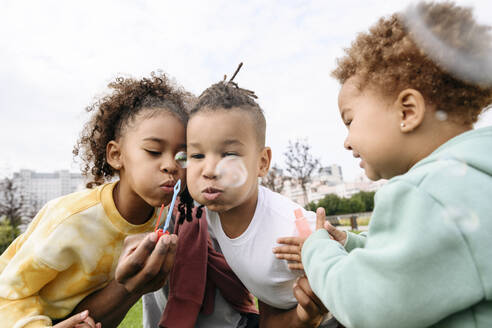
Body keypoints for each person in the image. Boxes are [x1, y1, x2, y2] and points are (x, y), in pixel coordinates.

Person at [299, 2, 492, 327]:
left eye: (350, 121)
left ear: (406, 112)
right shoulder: (472, 177)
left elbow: (366, 303)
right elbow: (430, 260)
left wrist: (316, 249)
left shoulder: (425, 193)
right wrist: (351, 242)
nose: (346, 141)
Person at [0, 72, 190, 327]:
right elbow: (7, 296)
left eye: (182, 157)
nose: (170, 166)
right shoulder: (70, 219)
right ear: (115, 155)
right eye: (154, 152)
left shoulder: (164, 221)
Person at [185, 76, 338, 328]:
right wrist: (304, 317)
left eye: (229, 154)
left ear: (262, 162)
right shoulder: (210, 209)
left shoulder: (293, 232)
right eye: (197, 155)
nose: (209, 170)